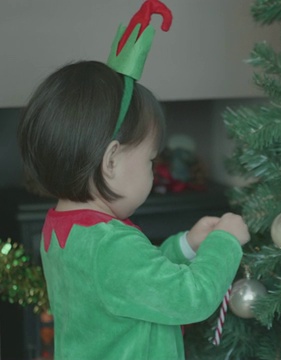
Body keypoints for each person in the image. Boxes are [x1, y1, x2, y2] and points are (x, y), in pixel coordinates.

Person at [18, 60, 250, 359]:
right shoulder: (109, 243)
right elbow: (189, 299)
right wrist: (225, 242)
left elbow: (132, 284)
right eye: (150, 160)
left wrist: (186, 246)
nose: (152, 171)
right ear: (111, 160)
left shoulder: (62, 228)